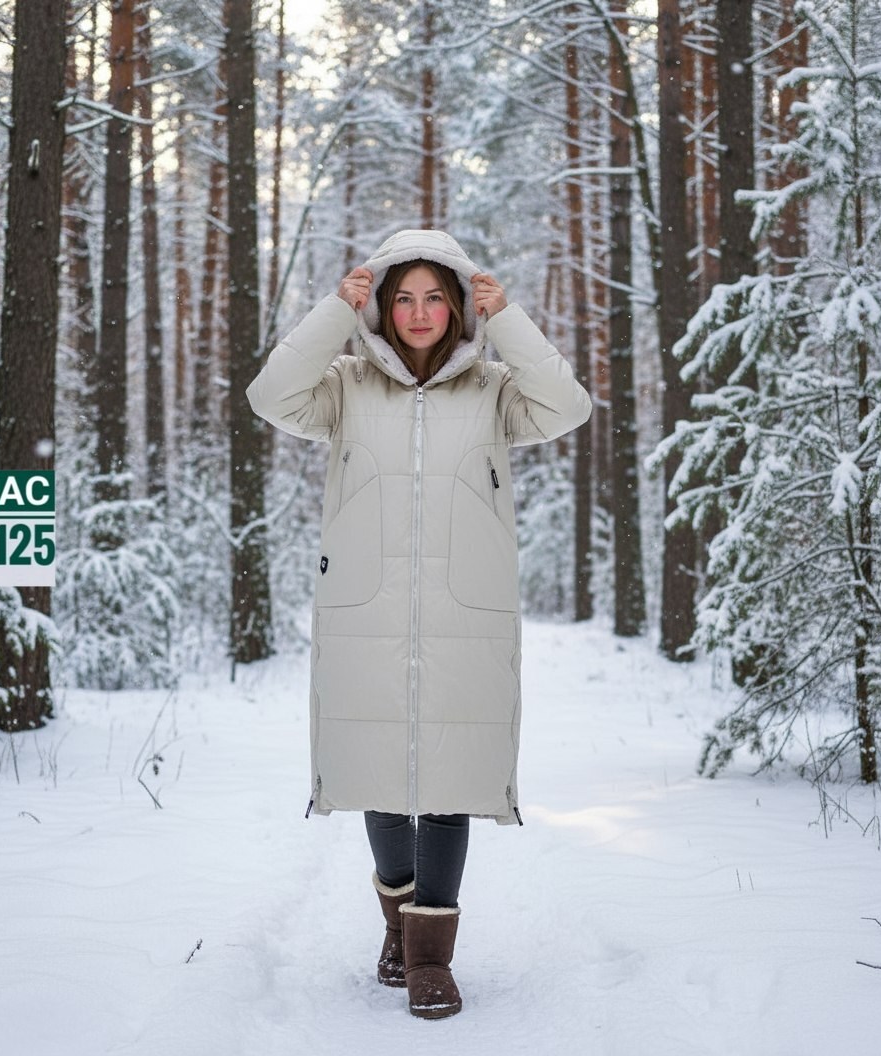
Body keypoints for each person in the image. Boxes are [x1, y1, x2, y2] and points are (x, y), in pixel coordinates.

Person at [246, 229, 591, 1019]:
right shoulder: (344, 386)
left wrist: (511, 324)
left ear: (462, 302)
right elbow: (271, 395)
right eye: (403, 296)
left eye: (437, 295)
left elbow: (567, 407)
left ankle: (430, 956)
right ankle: (398, 928)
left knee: (445, 783)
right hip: (364, 610)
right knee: (377, 769)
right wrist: (336, 313)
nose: (420, 311)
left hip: (464, 615)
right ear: (382, 307)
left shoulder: (497, 392)